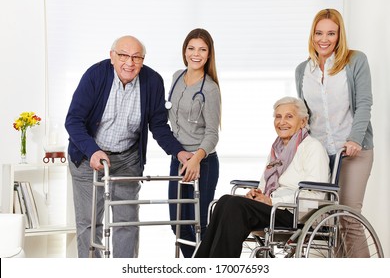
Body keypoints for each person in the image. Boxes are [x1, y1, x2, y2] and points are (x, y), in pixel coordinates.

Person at [65, 35, 193, 258]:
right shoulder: (95, 75)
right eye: (123, 55)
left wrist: (179, 151)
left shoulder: (152, 81)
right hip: (88, 157)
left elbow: (159, 126)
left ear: (143, 60)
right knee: (90, 222)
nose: (129, 63)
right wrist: (93, 150)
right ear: (112, 56)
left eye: (136, 57)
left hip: (126, 159)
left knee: (127, 221)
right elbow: (73, 120)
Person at [194, 96, 329, 258]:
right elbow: (265, 186)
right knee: (225, 201)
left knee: (235, 206)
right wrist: (258, 194)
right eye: (278, 117)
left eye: (289, 116)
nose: (282, 122)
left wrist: (272, 201)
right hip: (273, 208)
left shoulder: (312, 148)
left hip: (294, 213)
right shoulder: (277, 148)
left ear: (303, 121)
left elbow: (315, 196)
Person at [295, 9, 374, 257]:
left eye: (331, 33)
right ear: (312, 35)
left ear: (340, 35)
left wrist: (354, 140)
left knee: (348, 217)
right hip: (319, 154)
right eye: (319, 33)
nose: (324, 39)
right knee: (325, 221)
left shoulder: (355, 61)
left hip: (352, 151)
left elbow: (364, 104)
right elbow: (304, 115)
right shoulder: (302, 70)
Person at [166, 28, 222, 258]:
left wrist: (196, 160)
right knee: (177, 223)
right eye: (191, 48)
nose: (195, 54)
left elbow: (212, 133)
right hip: (178, 159)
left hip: (203, 163)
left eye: (202, 49)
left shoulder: (210, 88)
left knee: (199, 225)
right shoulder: (177, 77)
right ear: (184, 51)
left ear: (209, 55)